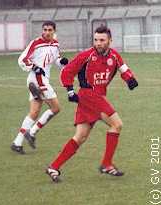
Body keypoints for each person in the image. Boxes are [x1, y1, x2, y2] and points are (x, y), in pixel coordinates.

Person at [46, 26, 138, 182]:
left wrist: (130, 79)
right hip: (89, 95)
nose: (98, 43)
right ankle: (107, 164)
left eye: (102, 40)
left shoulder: (114, 56)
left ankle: (53, 167)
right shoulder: (86, 56)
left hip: (96, 97)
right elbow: (67, 71)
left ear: (110, 40)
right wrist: (70, 90)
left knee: (80, 136)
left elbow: (123, 68)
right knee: (117, 124)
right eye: (96, 40)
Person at [11, 21, 68, 154]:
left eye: (49, 30)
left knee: (34, 112)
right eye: (45, 30)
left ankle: (17, 143)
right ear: (42, 30)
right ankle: (32, 132)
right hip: (37, 78)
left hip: (42, 79)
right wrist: (34, 67)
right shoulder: (35, 43)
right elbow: (22, 59)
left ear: (54, 31)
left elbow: (56, 60)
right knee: (56, 108)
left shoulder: (55, 44)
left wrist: (62, 61)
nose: (47, 32)